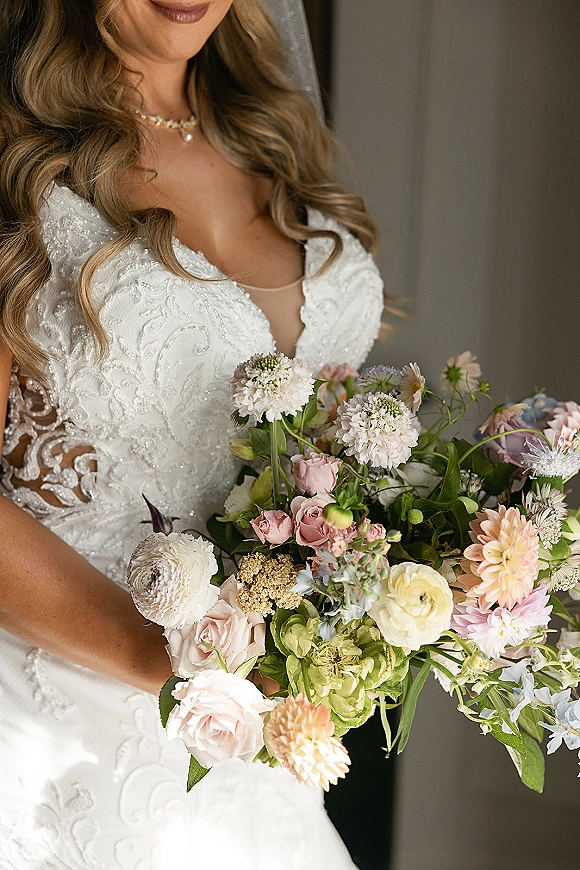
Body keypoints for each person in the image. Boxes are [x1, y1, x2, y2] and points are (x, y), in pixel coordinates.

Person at [0, 1, 384, 867]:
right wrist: (180, 667)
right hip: (67, 704)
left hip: (252, 726)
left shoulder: (275, 139)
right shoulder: (16, 161)